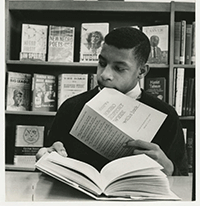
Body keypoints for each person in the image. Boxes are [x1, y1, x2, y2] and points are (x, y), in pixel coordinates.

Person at [36, 27, 188, 176]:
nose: (105, 75)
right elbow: (45, 173)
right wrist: (46, 159)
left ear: (142, 71)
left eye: (119, 68)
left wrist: (169, 168)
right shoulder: (70, 108)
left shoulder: (166, 115)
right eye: (102, 63)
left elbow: (184, 183)